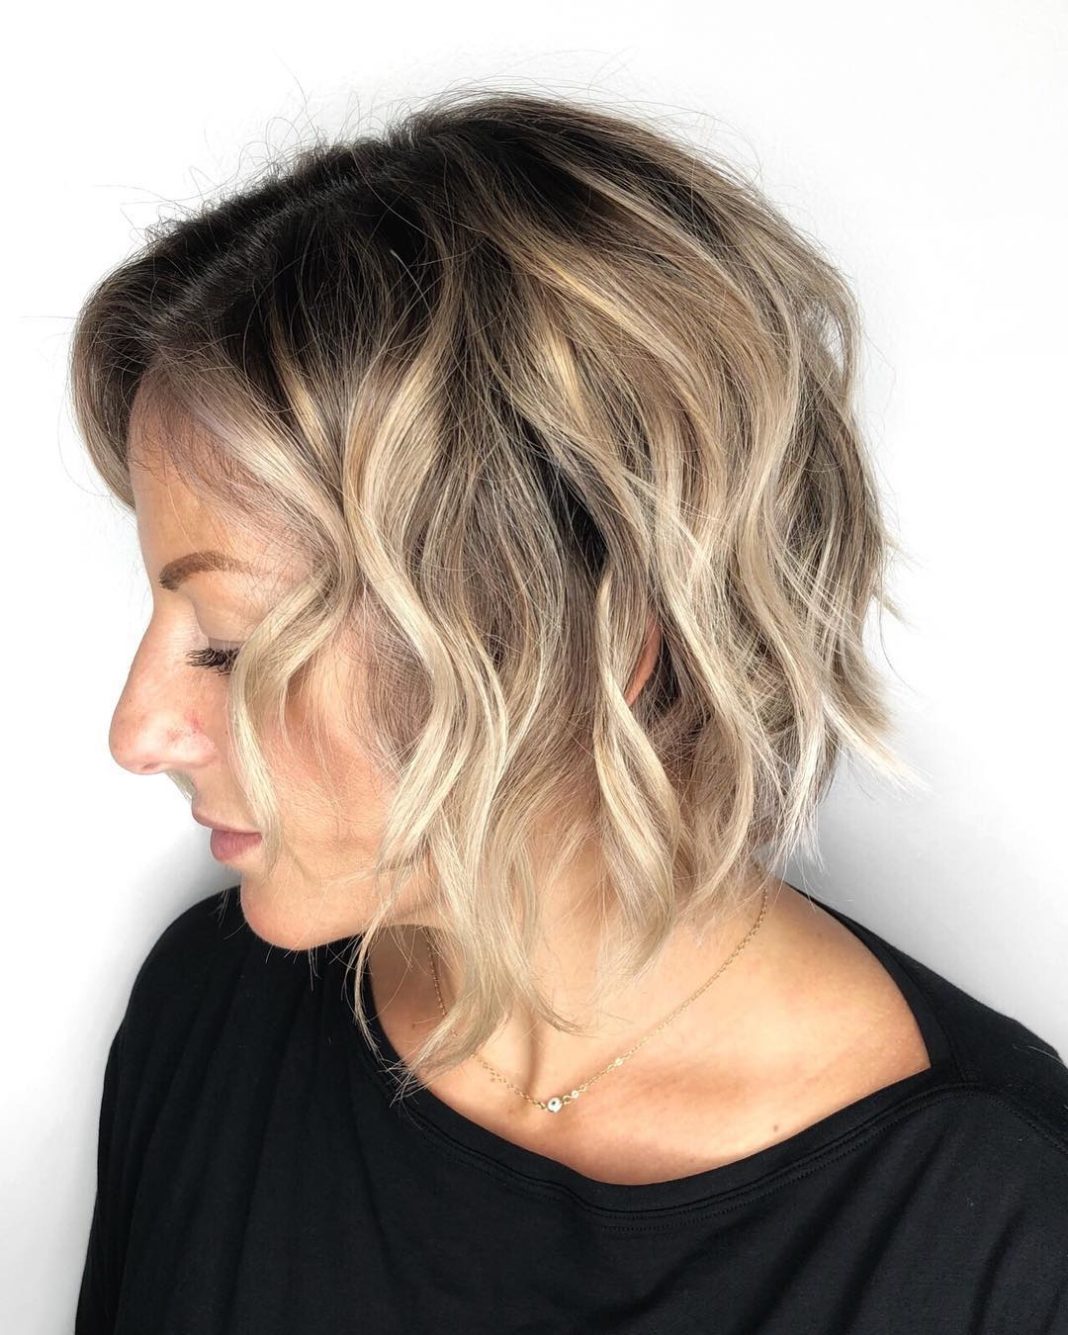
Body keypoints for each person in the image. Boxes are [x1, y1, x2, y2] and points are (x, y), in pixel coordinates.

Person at [70, 87, 1068, 1333]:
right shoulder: (211, 1014)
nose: (138, 732)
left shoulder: (1006, 1246)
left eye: (229, 645)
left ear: (591, 653)